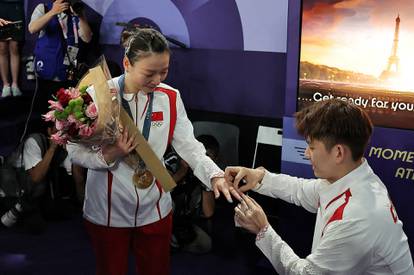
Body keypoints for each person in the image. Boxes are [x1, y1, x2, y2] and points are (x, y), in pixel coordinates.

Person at [67, 28, 236, 275]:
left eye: (164, 71)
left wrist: (214, 175)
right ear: (127, 63)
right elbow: (73, 150)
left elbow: (190, 146)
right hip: (107, 210)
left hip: (155, 207)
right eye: (149, 73)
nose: (157, 80)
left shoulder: (170, 97)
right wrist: (109, 154)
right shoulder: (96, 95)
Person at [225, 99, 414, 274]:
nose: (307, 154)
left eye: (312, 147)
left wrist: (263, 229)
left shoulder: (356, 218)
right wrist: (259, 177)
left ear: (338, 152)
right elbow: (301, 190)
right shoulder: (354, 178)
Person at [28, 0, 92, 114]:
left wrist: (81, 16)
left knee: (66, 113)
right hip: (47, 70)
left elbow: (87, 38)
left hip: (69, 66)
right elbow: (32, 28)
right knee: (45, 112)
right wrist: (52, 12)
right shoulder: (43, 8)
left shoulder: (75, 11)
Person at [165, 134, 218, 253]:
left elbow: (208, 212)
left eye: (210, 159)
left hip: (184, 219)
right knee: (168, 203)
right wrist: (182, 171)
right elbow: (162, 188)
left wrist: (205, 179)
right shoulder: (173, 158)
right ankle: (165, 236)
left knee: (205, 245)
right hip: (164, 212)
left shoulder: (210, 173)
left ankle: (175, 239)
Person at [0, 0, 24, 97]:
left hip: (16, 6)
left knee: (15, 46)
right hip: (1, 6)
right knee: (2, 48)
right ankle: (6, 85)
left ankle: (15, 85)